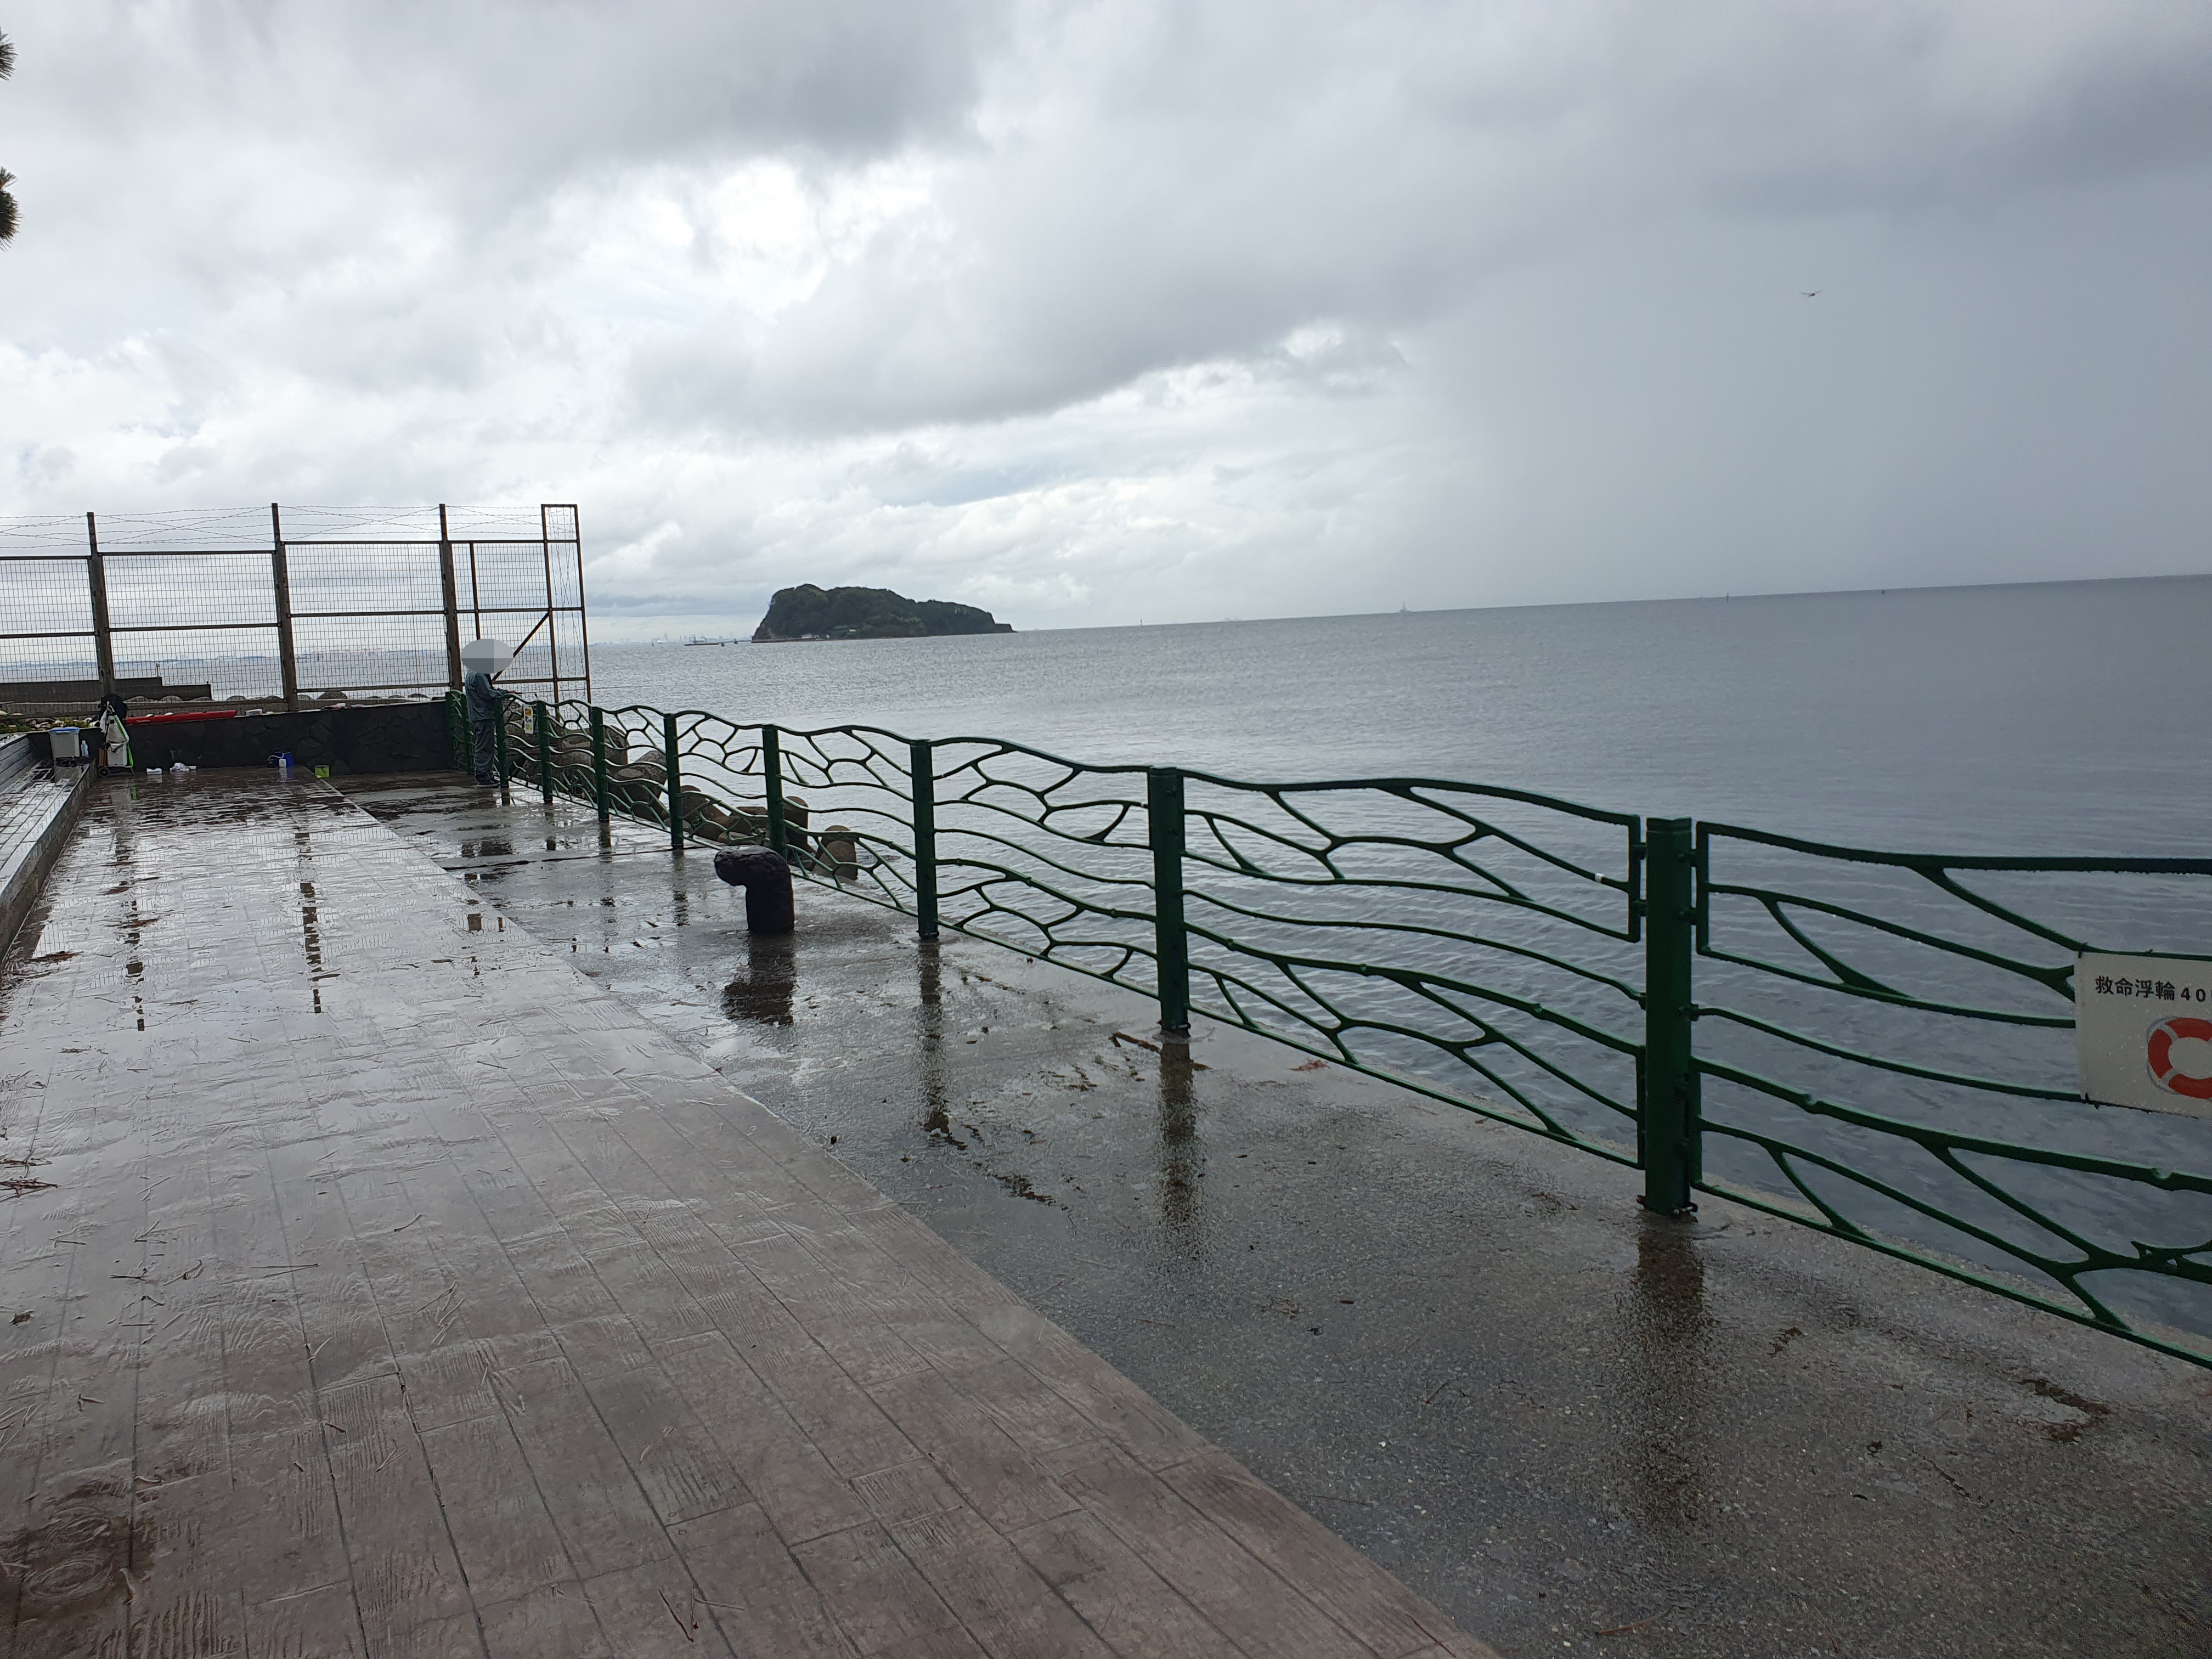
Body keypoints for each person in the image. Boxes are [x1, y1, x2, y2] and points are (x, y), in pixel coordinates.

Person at [463, 666, 508, 785]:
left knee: (483, 745)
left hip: (478, 714)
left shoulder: (472, 672)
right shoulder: (479, 674)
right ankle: (484, 775)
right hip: (483, 715)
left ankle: (487, 774)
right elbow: (488, 694)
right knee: (485, 746)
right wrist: (505, 693)